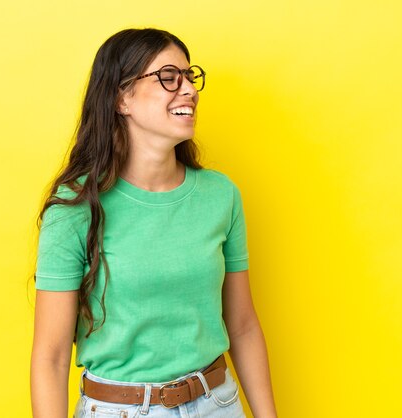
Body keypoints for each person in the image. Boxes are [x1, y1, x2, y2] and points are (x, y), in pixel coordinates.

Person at [30, 28, 278, 418]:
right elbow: (51, 356)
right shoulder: (75, 207)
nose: (189, 91)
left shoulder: (220, 196)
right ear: (122, 97)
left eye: (189, 76)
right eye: (168, 77)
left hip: (218, 404)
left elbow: (243, 325)